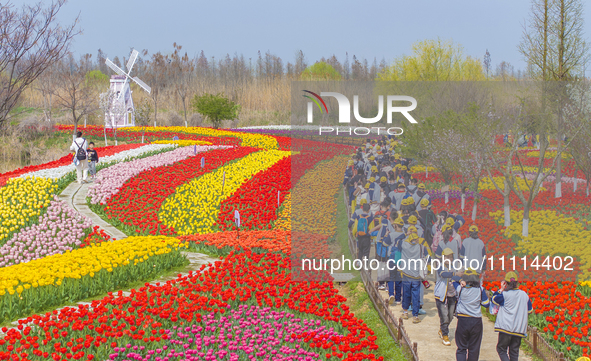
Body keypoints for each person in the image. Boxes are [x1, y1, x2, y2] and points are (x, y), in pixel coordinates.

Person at [492, 272, 533, 361]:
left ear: (505, 283)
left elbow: (494, 299)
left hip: (505, 327)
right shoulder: (524, 295)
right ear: (517, 283)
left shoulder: (505, 295)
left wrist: (501, 289)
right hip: (518, 329)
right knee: (514, 353)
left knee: (501, 349)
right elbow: (530, 310)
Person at [453, 269, 490, 361]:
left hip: (463, 320)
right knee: (474, 349)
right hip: (476, 321)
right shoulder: (480, 290)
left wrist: (461, 281)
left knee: (461, 348)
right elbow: (486, 304)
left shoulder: (460, 289)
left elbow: (453, 279)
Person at [398, 232, 429, 323]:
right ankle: (415, 316)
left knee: (406, 294)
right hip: (416, 275)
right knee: (416, 296)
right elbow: (428, 258)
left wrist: (405, 234)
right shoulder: (421, 247)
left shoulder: (404, 245)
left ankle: (405, 312)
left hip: (406, 274)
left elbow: (398, 240)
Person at [434, 248, 459, 346]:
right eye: (447, 257)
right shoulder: (440, 267)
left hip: (452, 295)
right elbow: (443, 274)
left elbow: (456, 278)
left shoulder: (453, 267)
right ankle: (445, 335)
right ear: (443, 258)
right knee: (444, 316)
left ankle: (442, 329)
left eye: (451, 257)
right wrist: (454, 274)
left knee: (450, 315)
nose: (449, 258)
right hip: (442, 296)